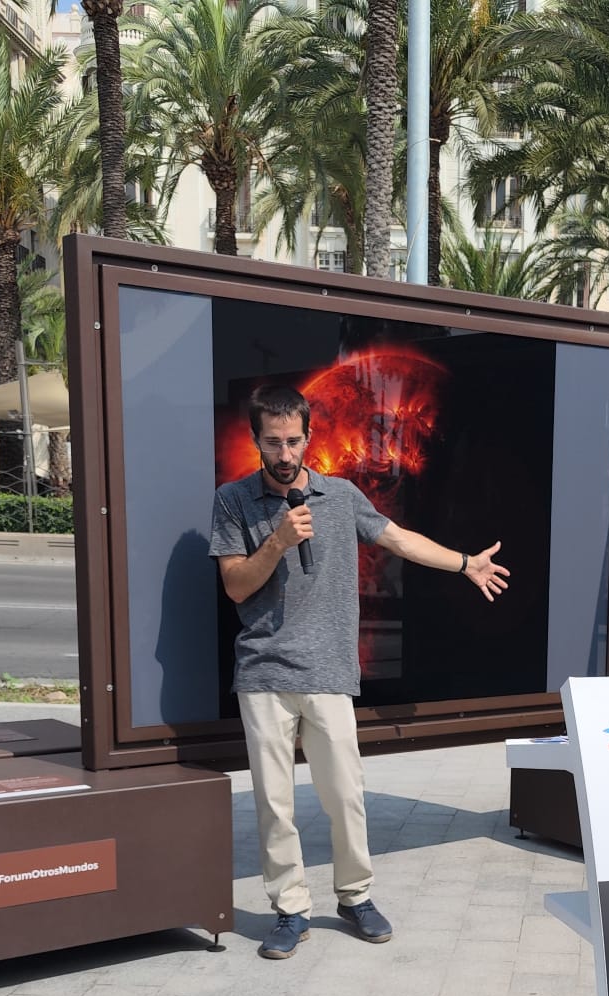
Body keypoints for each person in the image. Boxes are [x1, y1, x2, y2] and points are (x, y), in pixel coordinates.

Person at [214, 382, 510, 959]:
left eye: (293, 441)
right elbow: (235, 585)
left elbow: (398, 539)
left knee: (345, 794)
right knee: (275, 803)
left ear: (308, 438)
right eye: (272, 442)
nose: (284, 453)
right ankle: (289, 908)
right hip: (263, 673)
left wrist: (464, 564)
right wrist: (276, 541)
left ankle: (354, 896)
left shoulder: (340, 496)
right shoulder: (232, 501)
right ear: (255, 440)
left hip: (328, 670)